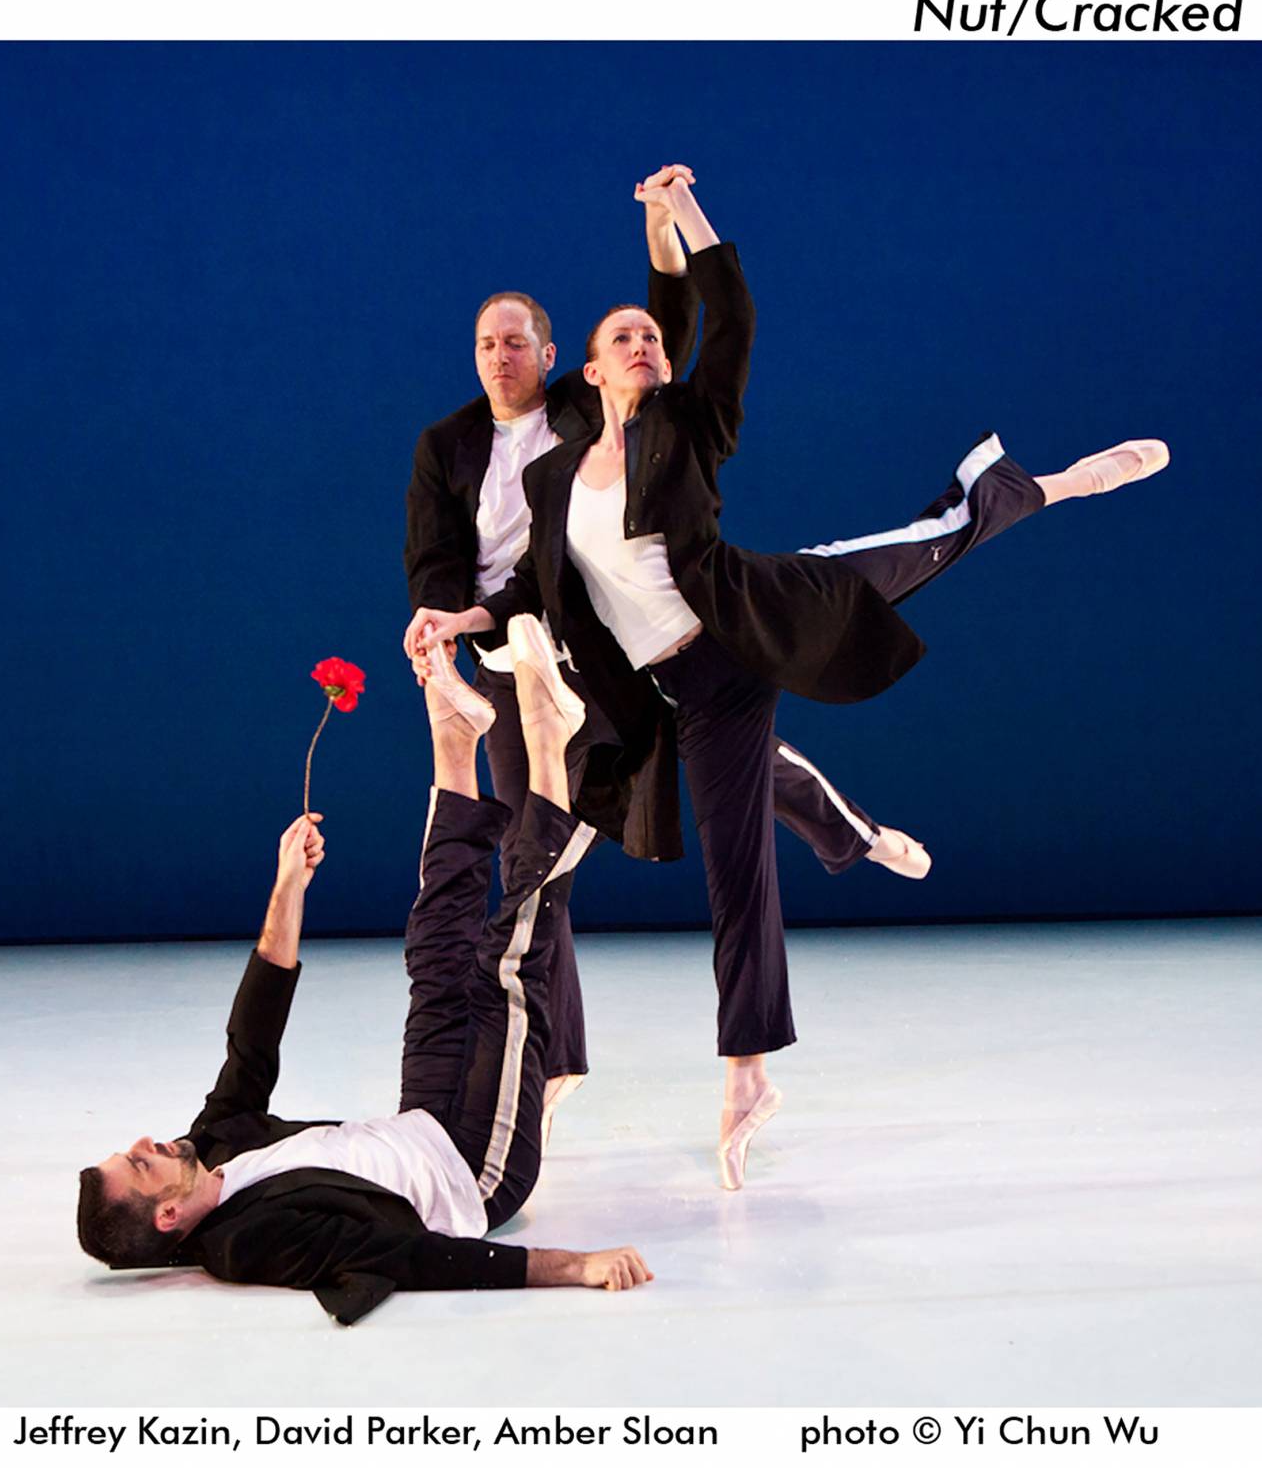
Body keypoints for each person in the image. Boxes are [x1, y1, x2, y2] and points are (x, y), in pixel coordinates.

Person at [403, 167, 1169, 1190]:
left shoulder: (689, 425)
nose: (641, 343)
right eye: (620, 337)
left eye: (649, 336)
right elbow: (538, 589)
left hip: (746, 634)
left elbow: (727, 313)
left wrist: (681, 217)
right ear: (583, 373)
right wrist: (467, 614)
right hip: (652, 686)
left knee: (924, 546)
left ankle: (746, 1073)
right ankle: (822, 849)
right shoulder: (554, 472)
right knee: (583, 838)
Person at [404, 167, 934, 1143]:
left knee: (739, 792)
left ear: (558, 358)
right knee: (539, 848)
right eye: (486, 343)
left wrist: (668, 222)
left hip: (673, 651)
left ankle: (839, 842)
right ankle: (552, 1060)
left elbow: (679, 323)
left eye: (517, 340)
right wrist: (453, 621)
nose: (501, 356)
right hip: (549, 669)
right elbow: (460, 562)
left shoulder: (608, 415)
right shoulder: (453, 447)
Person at [76, 615, 653, 1323]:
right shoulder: (249, 1240)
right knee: (509, 965)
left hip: (421, 1117)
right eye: (138, 1164)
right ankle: (545, 731)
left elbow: (251, 1042)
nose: (142, 1142)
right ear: (167, 1215)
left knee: (434, 946)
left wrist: (287, 886)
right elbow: (403, 1255)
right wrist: (572, 1265)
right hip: (474, 1170)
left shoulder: (215, 1144)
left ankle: (453, 735)